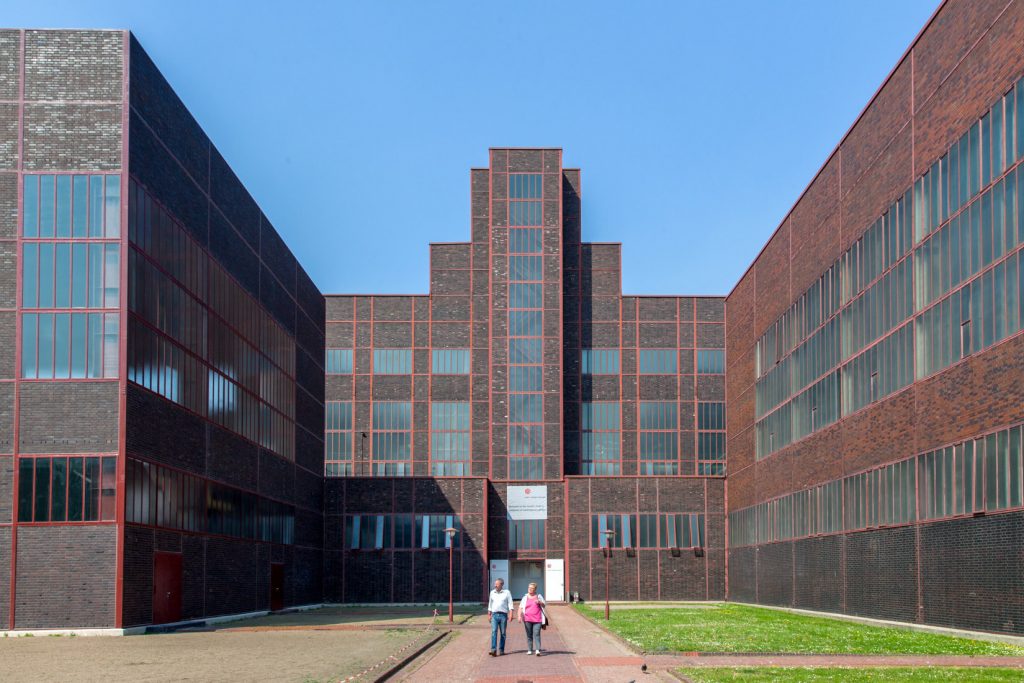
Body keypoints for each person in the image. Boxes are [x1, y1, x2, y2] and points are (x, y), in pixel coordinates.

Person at [517, 582, 546, 656]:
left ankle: (537, 650)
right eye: (529, 587)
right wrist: (519, 616)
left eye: (532, 588)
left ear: (535, 589)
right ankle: (530, 650)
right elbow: (520, 607)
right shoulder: (525, 597)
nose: (530, 589)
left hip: (537, 619)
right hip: (527, 619)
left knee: (536, 634)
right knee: (529, 635)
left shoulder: (539, 596)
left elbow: (544, 605)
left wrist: (540, 602)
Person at [486, 578, 514, 656]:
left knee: (503, 633)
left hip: (503, 615)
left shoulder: (507, 592)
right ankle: (493, 649)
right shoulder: (492, 592)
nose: (495, 585)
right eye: (495, 584)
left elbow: (510, 603)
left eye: (497, 584)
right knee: (494, 632)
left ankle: (501, 650)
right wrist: (489, 614)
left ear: (502, 584)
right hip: (494, 615)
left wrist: (511, 614)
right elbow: (490, 604)